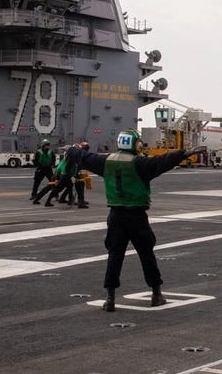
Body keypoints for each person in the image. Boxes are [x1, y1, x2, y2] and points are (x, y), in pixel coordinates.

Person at [79, 129, 205, 311]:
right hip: (137, 216)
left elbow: (85, 157)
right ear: (135, 144)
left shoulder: (105, 161)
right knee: (147, 255)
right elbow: (162, 162)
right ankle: (156, 293)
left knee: (114, 256)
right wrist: (183, 153)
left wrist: (73, 151)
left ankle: (110, 298)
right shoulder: (139, 163)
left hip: (115, 216)